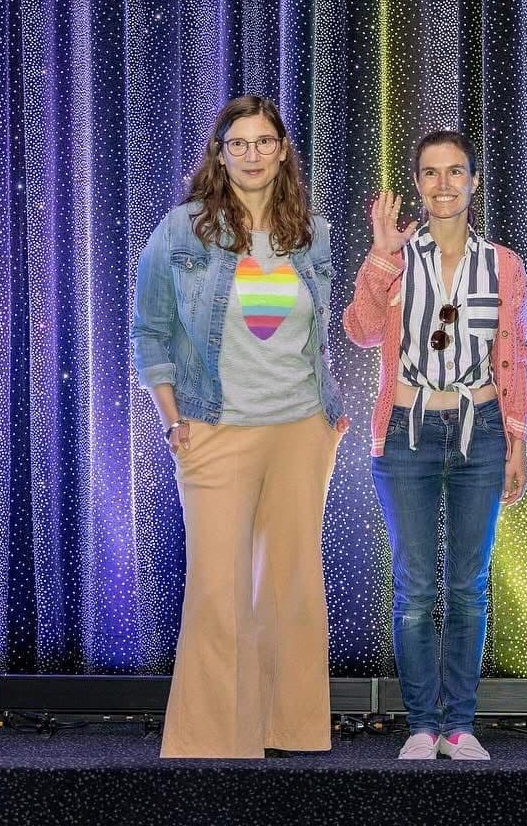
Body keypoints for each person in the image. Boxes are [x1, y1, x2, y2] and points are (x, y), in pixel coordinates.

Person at [131, 95, 346, 759]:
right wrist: (172, 418)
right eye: (239, 144)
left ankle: (289, 730)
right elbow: (150, 332)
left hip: (301, 429)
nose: (253, 155)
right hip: (215, 428)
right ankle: (219, 740)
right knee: (218, 590)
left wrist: (328, 417)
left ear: (283, 152)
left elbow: (316, 336)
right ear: (220, 155)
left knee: (292, 587)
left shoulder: (313, 233)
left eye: (264, 142)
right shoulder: (182, 231)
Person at [343, 130, 527, 761]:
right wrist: (379, 258)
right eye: (431, 172)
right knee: (417, 588)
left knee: (469, 586)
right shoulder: (397, 259)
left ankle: (460, 725)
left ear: (473, 182)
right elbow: (360, 331)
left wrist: (517, 439)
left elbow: (514, 357)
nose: (444, 184)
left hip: (481, 430)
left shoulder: (503, 264)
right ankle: (422, 725)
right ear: (418, 184)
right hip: (406, 433)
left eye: (456, 172)